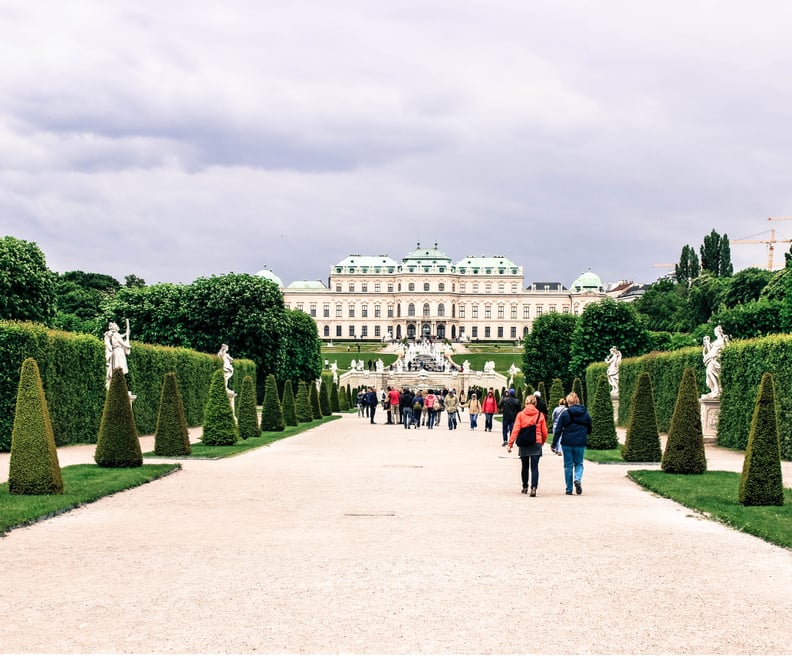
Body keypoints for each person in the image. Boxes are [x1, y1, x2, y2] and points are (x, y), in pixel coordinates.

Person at [507, 394, 548, 496]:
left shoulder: (520, 415)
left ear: (525, 403)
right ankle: (533, 488)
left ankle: (525, 486)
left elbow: (515, 430)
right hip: (536, 441)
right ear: (535, 403)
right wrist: (542, 441)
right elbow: (544, 431)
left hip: (524, 442)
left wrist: (510, 443)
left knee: (524, 466)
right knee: (534, 467)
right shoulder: (540, 414)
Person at [553, 392, 592, 495]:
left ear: (568, 402)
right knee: (579, 463)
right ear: (578, 401)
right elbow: (590, 427)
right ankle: (577, 479)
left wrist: (554, 444)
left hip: (567, 442)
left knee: (568, 465)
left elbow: (558, 430)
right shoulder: (585, 414)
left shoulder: (565, 414)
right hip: (580, 442)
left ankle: (569, 489)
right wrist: (584, 433)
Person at [703, 325, 729, 398]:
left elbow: (724, 350)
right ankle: (715, 389)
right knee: (709, 372)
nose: (715, 333)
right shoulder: (715, 342)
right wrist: (708, 343)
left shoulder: (722, 340)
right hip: (711, 359)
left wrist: (717, 355)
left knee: (710, 372)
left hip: (716, 360)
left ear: (718, 332)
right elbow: (710, 351)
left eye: (715, 332)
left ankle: (717, 390)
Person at [104, 320, 131, 388]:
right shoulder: (113, 335)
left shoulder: (116, 335)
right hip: (117, 352)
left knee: (120, 367)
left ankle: (119, 383)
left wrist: (127, 333)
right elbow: (121, 342)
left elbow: (122, 336)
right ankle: (117, 384)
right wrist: (127, 346)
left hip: (119, 352)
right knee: (118, 367)